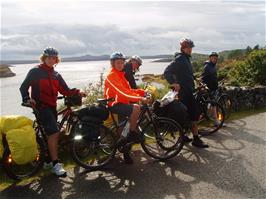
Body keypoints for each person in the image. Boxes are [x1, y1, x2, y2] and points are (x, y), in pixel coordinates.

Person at [20, 47, 86, 177]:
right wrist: (27, 98)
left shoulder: (56, 75)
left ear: (56, 60)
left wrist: (78, 92)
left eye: (53, 58)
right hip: (40, 107)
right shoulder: (35, 71)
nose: (51, 60)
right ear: (44, 58)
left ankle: (48, 160)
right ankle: (56, 164)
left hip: (51, 107)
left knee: (51, 133)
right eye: (48, 57)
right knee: (54, 132)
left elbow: (65, 90)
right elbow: (23, 87)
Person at [104, 52, 149, 164]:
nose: (120, 64)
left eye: (122, 62)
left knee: (124, 129)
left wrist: (142, 92)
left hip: (122, 104)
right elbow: (121, 92)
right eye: (117, 62)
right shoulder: (111, 76)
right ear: (112, 63)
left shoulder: (121, 75)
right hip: (114, 104)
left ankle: (125, 152)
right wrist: (140, 98)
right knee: (136, 108)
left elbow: (128, 90)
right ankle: (133, 133)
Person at [164, 38, 208, 148]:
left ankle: (183, 137)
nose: (190, 49)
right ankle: (195, 139)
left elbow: (188, 73)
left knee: (188, 115)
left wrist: (196, 79)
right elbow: (167, 72)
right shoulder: (179, 59)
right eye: (187, 47)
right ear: (183, 48)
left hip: (188, 91)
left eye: (191, 47)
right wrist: (174, 83)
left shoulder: (186, 59)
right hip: (184, 93)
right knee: (193, 115)